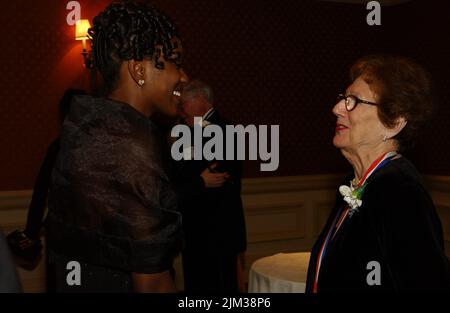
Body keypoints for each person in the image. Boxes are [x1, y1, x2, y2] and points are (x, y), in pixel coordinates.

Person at [45, 0, 188, 292]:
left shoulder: (83, 130)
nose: (184, 76)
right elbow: (152, 283)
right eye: (175, 61)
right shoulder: (132, 147)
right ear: (139, 70)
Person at [306, 54, 450, 292]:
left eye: (353, 101)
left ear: (393, 122)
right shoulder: (355, 183)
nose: (337, 108)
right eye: (343, 98)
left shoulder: (399, 190)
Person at [173, 80, 247, 293]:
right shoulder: (190, 131)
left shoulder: (222, 130)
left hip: (214, 233)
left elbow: (215, 176)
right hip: (201, 232)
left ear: (200, 100)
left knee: (216, 288)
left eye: (183, 103)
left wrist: (189, 179)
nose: (179, 110)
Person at [6, 89, 86, 266]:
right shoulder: (102, 146)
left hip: (68, 235)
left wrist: (32, 230)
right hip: (81, 236)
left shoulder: (60, 146)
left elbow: (41, 191)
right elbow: (41, 190)